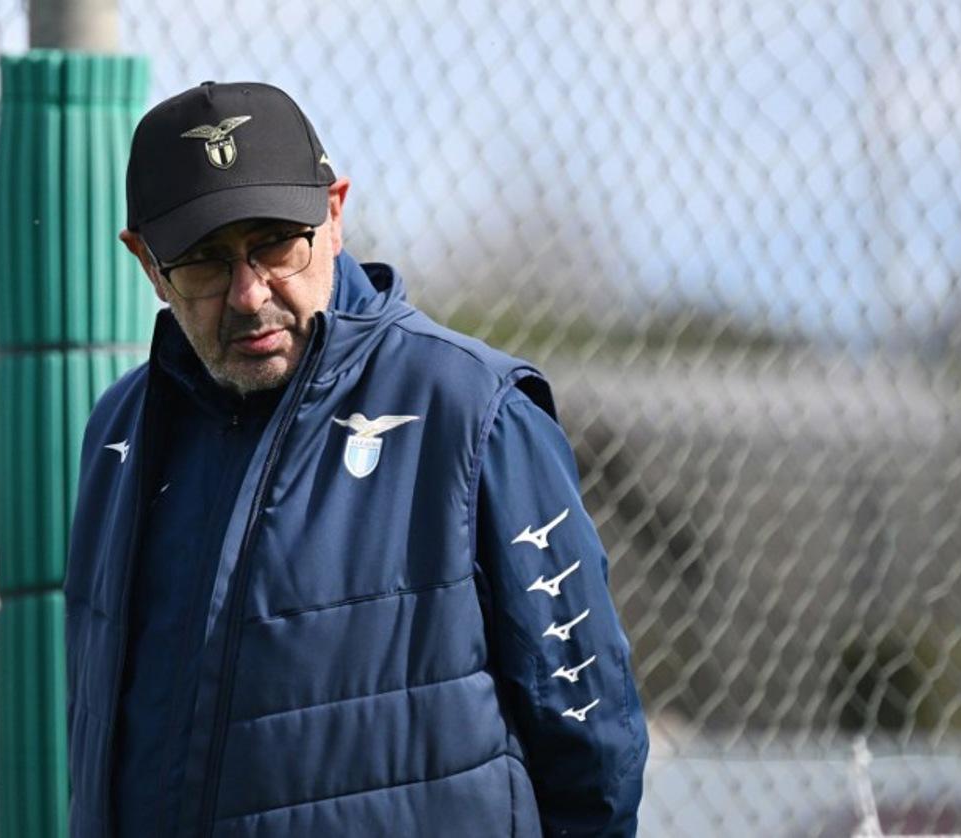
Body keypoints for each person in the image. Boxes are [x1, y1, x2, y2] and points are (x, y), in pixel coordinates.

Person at [64, 80, 649, 838]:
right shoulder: (121, 432)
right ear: (147, 263)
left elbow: (591, 747)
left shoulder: (475, 411)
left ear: (333, 214)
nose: (248, 293)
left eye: (275, 241)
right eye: (204, 261)